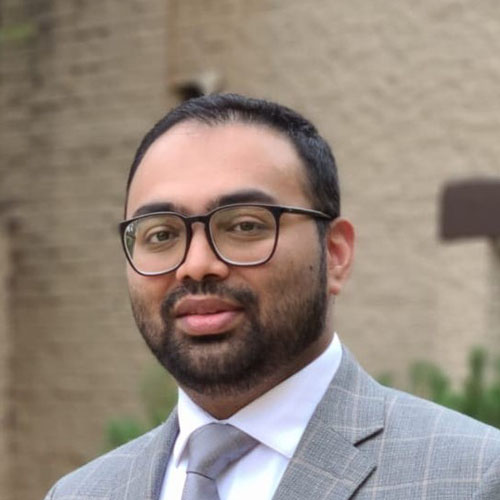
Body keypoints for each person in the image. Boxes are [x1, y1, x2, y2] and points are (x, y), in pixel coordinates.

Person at [45, 94, 500, 499]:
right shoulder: (81, 492)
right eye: (161, 234)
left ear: (335, 254)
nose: (196, 264)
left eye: (245, 225)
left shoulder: (474, 477)